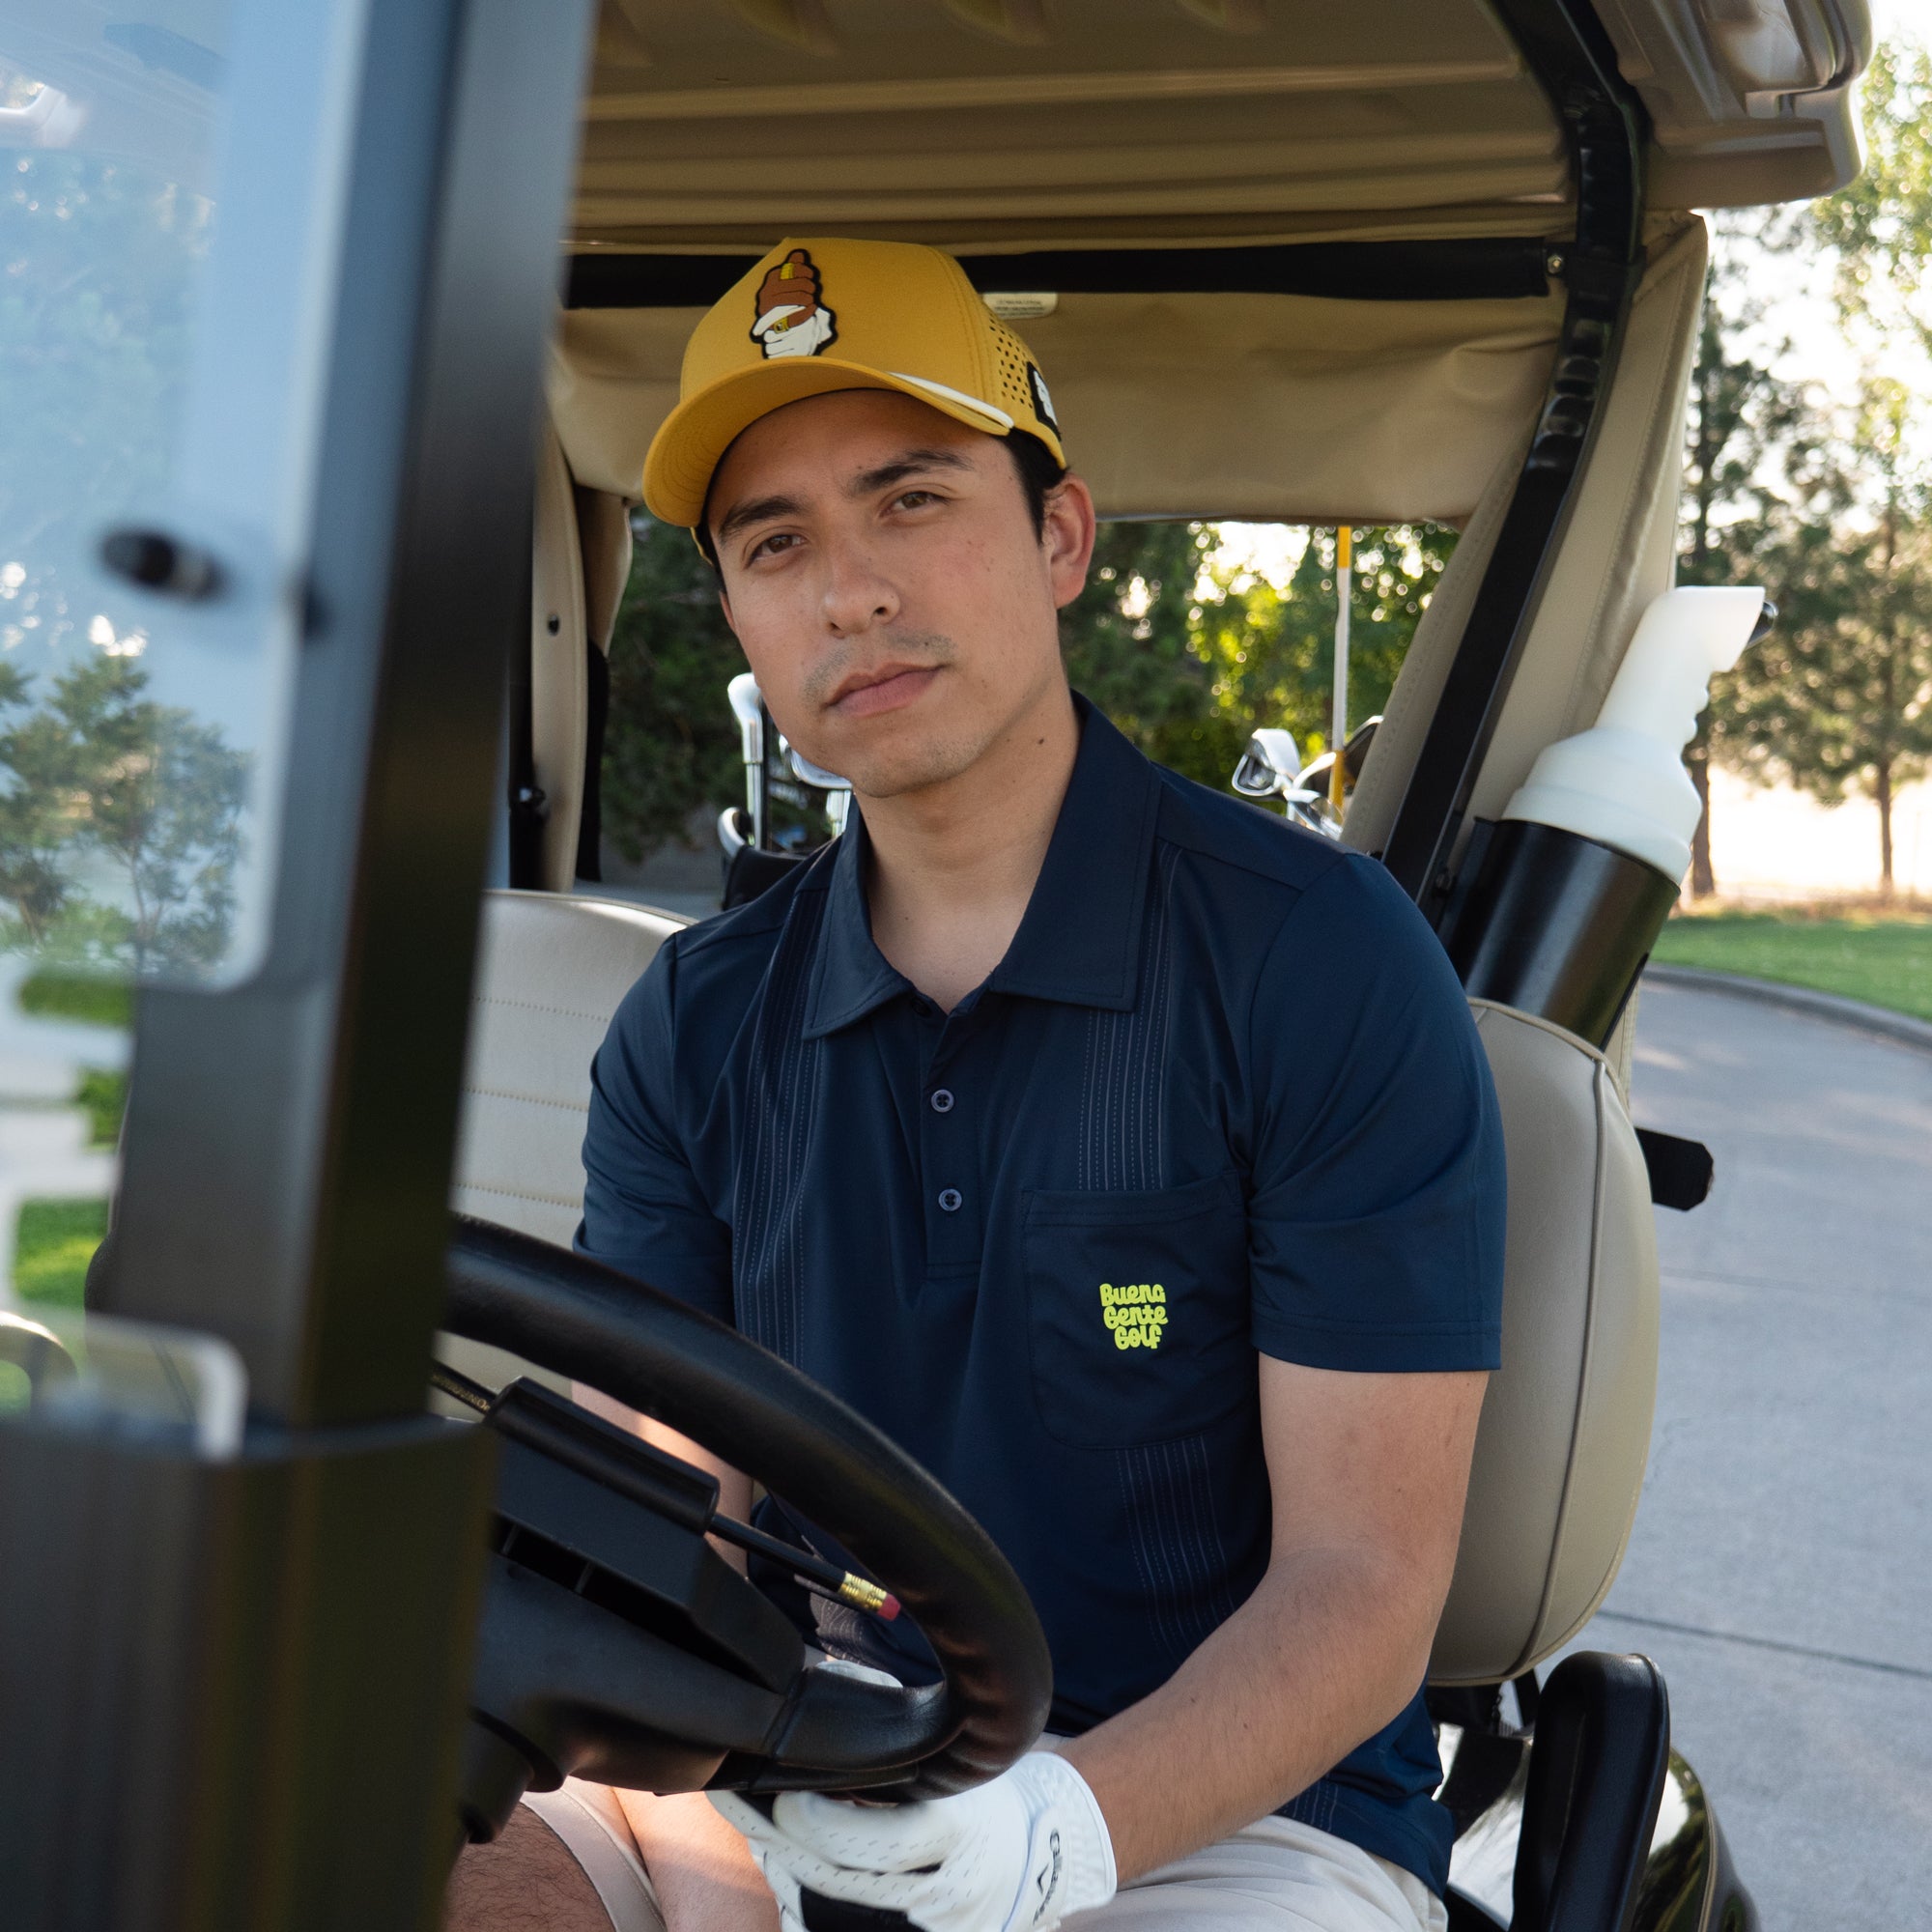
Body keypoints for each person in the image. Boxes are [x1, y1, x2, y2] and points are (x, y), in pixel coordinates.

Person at [446, 236, 1505, 1932]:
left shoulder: (1317, 962)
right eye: (775, 543)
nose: (849, 592)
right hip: (785, 1770)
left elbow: (1365, 1582)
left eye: (911, 501)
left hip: (1221, 1818)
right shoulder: (693, 1027)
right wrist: (695, 1829)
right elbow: (656, 1532)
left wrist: (1067, 1827)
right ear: (735, 615)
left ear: (1062, 536)